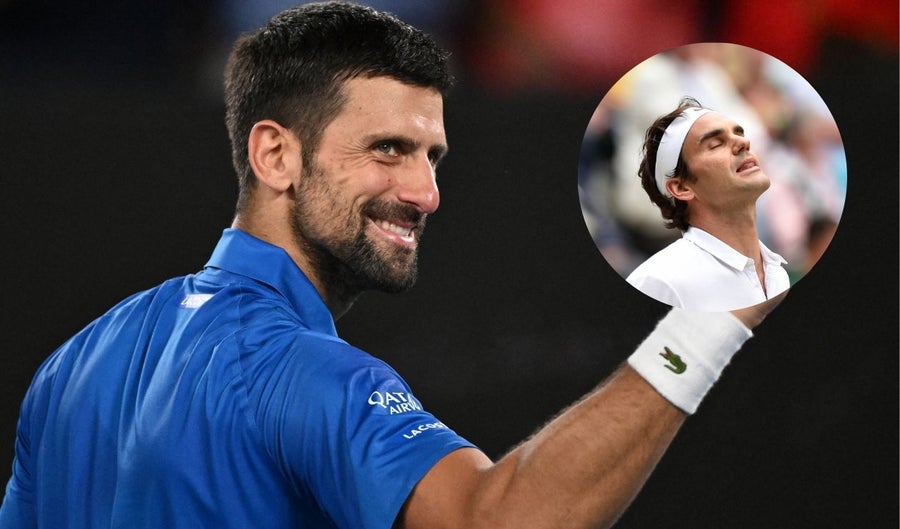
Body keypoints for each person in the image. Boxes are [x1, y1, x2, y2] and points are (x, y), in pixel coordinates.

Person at [0, 4, 783, 529]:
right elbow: (496, 520)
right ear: (274, 155)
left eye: (431, 156)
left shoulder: (70, 367)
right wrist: (706, 326)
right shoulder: (298, 371)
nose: (426, 193)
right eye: (388, 150)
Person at [626, 97, 791, 311]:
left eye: (739, 134)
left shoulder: (778, 274)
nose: (743, 143)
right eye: (715, 144)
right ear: (682, 188)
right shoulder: (658, 282)